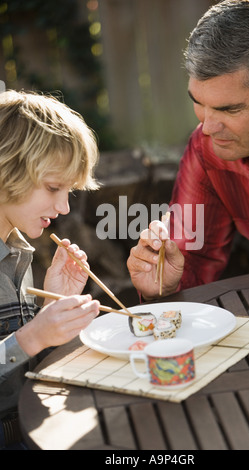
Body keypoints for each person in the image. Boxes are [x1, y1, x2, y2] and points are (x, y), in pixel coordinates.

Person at [127, 0, 249, 301]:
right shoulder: (207, 151)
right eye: (198, 102)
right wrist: (165, 283)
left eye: (229, 110)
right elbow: (191, 262)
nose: (207, 128)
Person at [0, 90, 101, 448]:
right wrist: (33, 337)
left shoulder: (16, 252)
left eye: (69, 191)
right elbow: (22, 345)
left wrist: (53, 304)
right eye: (54, 187)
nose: (62, 206)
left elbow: (17, 366)